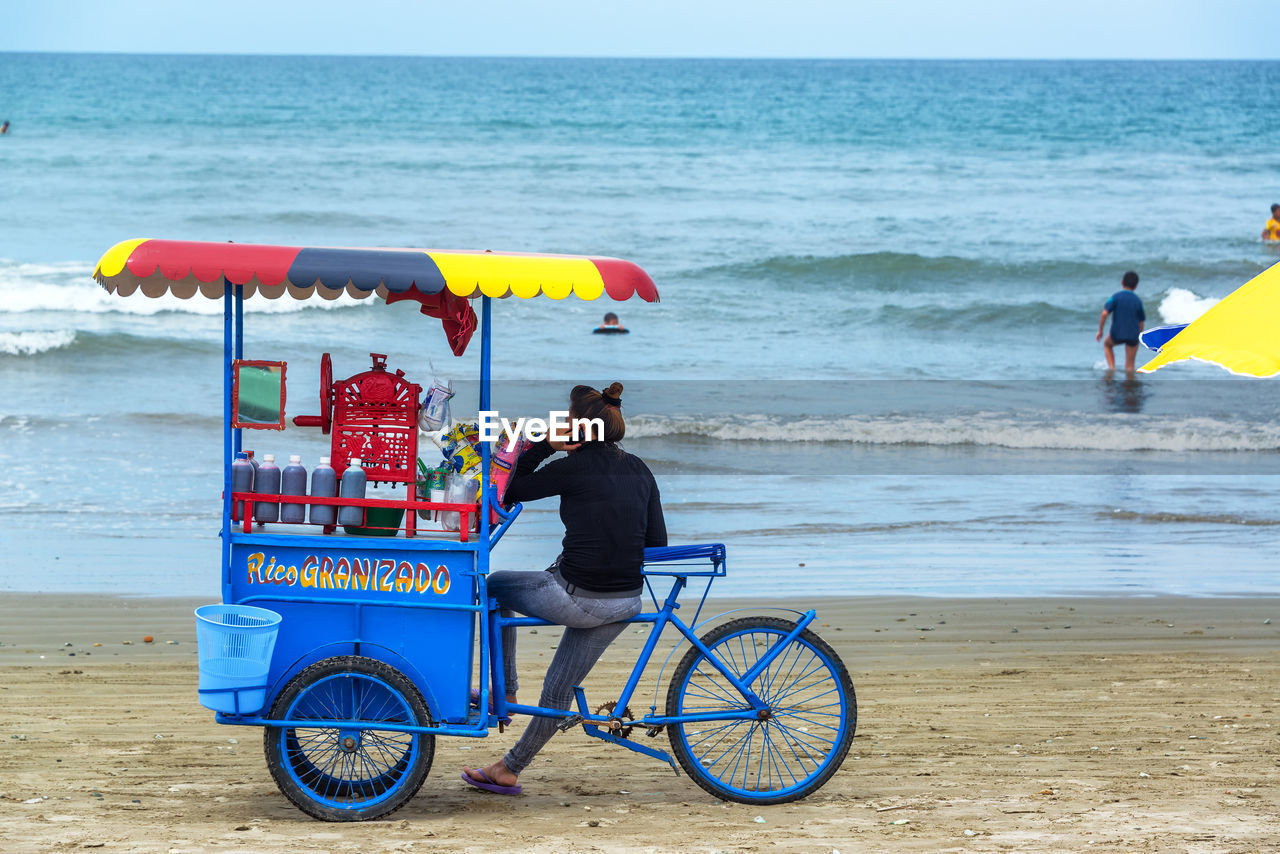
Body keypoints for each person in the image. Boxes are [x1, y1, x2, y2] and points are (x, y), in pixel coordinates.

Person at [462, 382, 666, 795]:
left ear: (578, 426)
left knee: (496, 585)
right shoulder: (640, 468)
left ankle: (505, 690)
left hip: (577, 597)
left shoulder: (575, 466)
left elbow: (510, 489)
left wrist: (545, 447)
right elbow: (656, 542)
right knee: (557, 692)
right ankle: (509, 769)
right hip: (625, 601)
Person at [1096, 271, 1145, 373]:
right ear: (1136, 286)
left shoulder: (1115, 297)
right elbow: (1141, 323)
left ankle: (1112, 369)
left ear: (1122, 282)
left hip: (1117, 334)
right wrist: (1139, 335)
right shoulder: (1138, 301)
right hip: (1132, 335)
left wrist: (1100, 330)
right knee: (1130, 367)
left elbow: (1104, 313)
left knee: (1107, 344)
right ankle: (1130, 385)